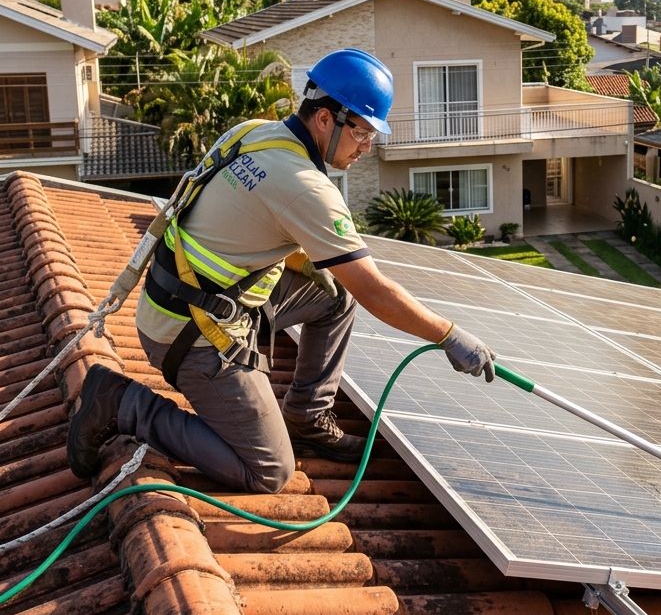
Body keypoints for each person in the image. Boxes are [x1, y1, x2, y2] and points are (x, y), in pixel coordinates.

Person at [66, 49, 496, 494]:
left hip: (176, 297)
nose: (367, 147)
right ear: (326, 119)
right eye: (363, 132)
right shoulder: (305, 187)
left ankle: (307, 416)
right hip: (190, 334)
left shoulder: (253, 132)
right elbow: (374, 289)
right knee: (268, 471)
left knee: (334, 295)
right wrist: (447, 334)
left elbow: (241, 223)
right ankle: (123, 404)